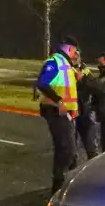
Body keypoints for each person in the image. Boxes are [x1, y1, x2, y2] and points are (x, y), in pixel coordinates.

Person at [35, 35, 82, 194]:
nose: (76, 54)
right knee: (66, 150)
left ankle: (70, 187)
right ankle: (58, 188)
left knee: (72, 152)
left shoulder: (67, 65)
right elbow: (42, 83)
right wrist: (59, 101)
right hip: (56, 112)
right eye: (75, 50)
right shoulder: (55, 62)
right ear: (69, 48)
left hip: (66, 114)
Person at [74, 55, 101, 161]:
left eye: (78, 56)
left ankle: (93, 161)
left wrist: (83, 79)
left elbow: (96, 87)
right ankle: (72, 165)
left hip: (84, 110)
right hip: (71, 110)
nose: (76, 58)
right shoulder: (66, 69)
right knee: (71, 142)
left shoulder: (85, 71)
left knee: (90, 141)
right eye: (74, 56)